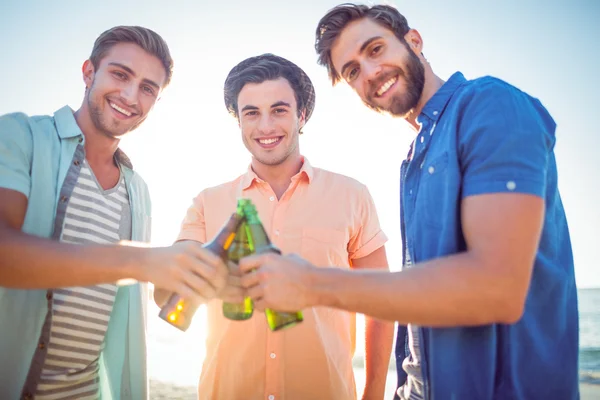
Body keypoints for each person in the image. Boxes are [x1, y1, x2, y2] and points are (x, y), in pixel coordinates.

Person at [238, 4, 578, 400]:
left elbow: (497, 288)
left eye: (376, 49)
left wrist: (312, 283)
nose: (369, 72)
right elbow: (422, 301)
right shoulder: (416, 157)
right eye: (352, 71)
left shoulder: (490, 105)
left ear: (414, 42)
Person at [0, 26, 229, 399]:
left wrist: (201, 277)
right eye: (120, 74)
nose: (130, 95)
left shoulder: (138, 191)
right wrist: (136, 261)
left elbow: (144, 295)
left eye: (147, 88)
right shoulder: (18, 135)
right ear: (89, 72)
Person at [154, 53, 394, 399]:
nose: (265, 126)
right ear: (238, 122)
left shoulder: (352, 195)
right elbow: (170, 286)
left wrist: (373, 392)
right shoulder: (208, 202)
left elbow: (380, 300)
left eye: (279, 110)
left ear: (302, 115)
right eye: (251, 113)